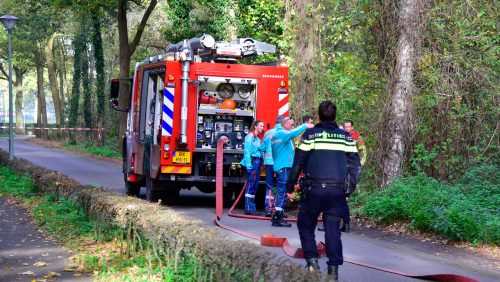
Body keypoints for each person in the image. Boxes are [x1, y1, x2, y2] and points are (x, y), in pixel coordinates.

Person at [286, 100, 358, 281]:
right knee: (332, 230)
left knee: (305, 225)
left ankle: (312, 263)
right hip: (337, 192)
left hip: (313, 191)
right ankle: (333, 271)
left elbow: (297, 163)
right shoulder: (346, 137)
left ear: (318, 116)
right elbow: (355, 165)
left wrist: (289, 187)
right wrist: (348, 189)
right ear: (335, 116)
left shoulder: (310, 135)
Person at [270, 116, 313, 227]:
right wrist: (305, 126)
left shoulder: (279, 134)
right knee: (283, 191)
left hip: (284, 166)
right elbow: (292, 133)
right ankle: (278, 217)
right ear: (284, 124)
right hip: (283, 167)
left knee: (283, 191)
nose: (293, 127)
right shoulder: (281, 134)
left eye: (294, 125)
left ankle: (278, 214)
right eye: (291, 125)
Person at [260, 115, 285, 217]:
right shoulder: (283, 133)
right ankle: (279, 209)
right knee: (280, 186)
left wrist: (263, 161)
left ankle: (268, 209)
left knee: (269, 186)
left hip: (268, 162)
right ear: (283, 123)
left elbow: (262, 148)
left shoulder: (267, 133)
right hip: (279, 162)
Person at [240, 120, 265, 216]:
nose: (262, 128)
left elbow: (260, 150)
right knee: (251, 184)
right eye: (261, 126)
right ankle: (248, 208)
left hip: (258, 162)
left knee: (254, 185)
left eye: (263, 126)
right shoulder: (249, 137)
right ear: (255, 127)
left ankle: (252, 208)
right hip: (253, 161)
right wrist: (249, 165)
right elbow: (247, 152)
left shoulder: (258, 138)